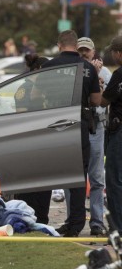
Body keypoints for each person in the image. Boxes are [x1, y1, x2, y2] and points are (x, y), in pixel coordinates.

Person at [36, 30, 101, 237]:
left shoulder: (48, 66)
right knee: (78, 178)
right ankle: (75, 225)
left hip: (52, 124)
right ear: (75, 45)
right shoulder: (89, 68)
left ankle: (41, 220)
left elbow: (35, 95)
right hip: (77, 125)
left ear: (59, 45)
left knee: (46, 174)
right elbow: (97, 101)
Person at [76, 37, 111, 236]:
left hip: (96, 127)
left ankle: (97, 222)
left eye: (86, 51)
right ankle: (74, 219)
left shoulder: (105, 72)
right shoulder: (73, 69)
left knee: (97, 178)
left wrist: (97, 78)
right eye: (80, 51)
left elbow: (103, 101)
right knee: (74, 177)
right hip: (77, 125)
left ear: (93, 51)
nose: (83, 55)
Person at [14, 54, 51, 224]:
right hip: (29, 141)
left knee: (45, 183)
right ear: (38, 70)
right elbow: (22, 117)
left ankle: (42, 218)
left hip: (44, 141)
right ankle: (26, 218)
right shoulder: (25, 88)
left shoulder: (46, 88)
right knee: (28, 185)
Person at [100, 35, 122, 235]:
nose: (113, 56)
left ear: (119, 53)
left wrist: (97, 83)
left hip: (119, 132)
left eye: (114, 52)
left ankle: (117, 228)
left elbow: (103, 102)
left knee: (114, 179)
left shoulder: (119, 75)